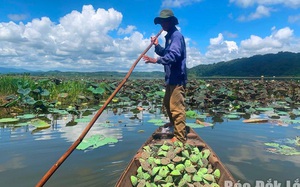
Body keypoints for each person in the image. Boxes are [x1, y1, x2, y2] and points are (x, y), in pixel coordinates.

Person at [143, 9, 187, 142]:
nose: (162, 24)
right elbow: (166, 53)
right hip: (170, 79)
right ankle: (174, 125)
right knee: (167, 104)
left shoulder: (176, 36)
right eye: (161, 21)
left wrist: (155, 60)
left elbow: (173, 56)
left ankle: (180, 139)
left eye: (164, 21)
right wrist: (157, 46)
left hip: (177, 78)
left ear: (171, 22)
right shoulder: (169, 37)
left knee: (176, 108)